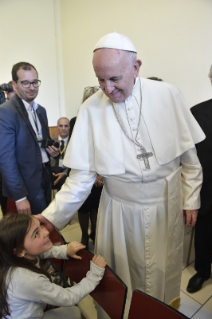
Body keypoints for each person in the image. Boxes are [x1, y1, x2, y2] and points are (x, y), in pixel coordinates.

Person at [38, 32, 205, 317]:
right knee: (122, 279)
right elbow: (80, 180)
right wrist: (48, 218)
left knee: (163, 275)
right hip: (120, 214)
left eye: (114, 79)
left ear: (136, 67)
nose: (107, 88)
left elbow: (189, 158)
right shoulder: (91, 109)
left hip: (165, 207)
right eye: (100, 79)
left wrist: (190, 198)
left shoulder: (168, 95)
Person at [0, 214, 106, 319]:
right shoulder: (28, 280)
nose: (46, 232)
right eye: (36, 234)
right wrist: (94, 275)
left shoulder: (12, 258)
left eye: (41, 226)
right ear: (20, 251)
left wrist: (65, 250)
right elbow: (68, 297)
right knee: (74, 312)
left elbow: (42, 253)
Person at [0, 62, 59, 215]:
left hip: (45, 174)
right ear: (14, 84)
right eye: (25, 83)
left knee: (46, 219)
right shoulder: (6, 112)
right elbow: (6, 158)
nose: (32, 87)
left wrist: (53, 151)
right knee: (33, 227)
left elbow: (42, 144)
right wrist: (19, 197)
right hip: (26, 182)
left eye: (34, 82)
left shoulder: (41, 111)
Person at [187, 65, 212, 293]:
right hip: (207, 191)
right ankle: (203, 271)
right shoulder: (196, 113)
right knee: (203, 237)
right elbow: (189, 157)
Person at [70, 86, 103, 249]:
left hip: (99, 173)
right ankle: (84, 235)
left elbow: (105, 151)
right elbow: (73, 150)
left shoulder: (105, 121)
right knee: (83, 207)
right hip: (82, 172)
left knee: (96, 206)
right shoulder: (75, 121)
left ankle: (95, 234)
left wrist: (100, 174)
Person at [51, 117, 70, 191]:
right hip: (53, 174)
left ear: (69, 128)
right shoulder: (51, 141)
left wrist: (65, 173)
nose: (63, 128)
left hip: (67, 175)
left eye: (66, 126)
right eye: (61, 126)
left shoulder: (74, 142)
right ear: (57, 128)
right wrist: (50, 172)